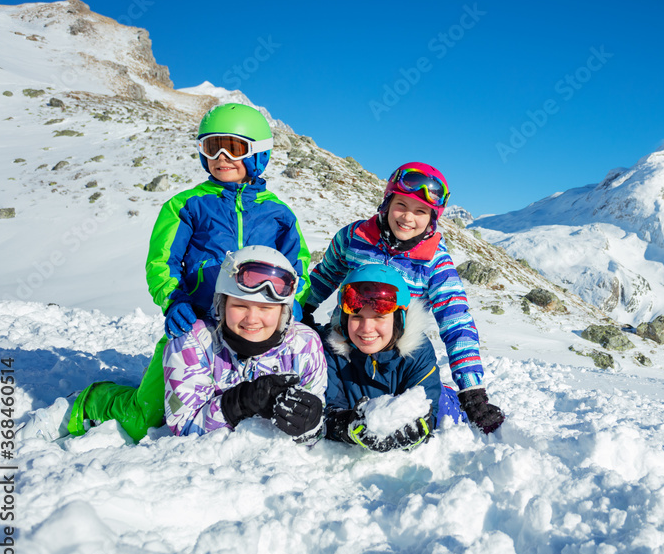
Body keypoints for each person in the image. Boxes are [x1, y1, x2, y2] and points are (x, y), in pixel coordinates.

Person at [67, 103, 312, 442]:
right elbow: (162, 261)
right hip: (195, 325)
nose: (222, 156)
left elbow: (296, 266)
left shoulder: (278, 214)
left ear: (258, 153)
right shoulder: (188, 204)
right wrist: (174, 300)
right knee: (149, 419)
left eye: (234, 147)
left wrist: (294, 300)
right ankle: (94, 400)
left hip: (253, 331)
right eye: (212, 147)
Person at [303, 162, 505, 435]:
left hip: (398, 357)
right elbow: (324, 277)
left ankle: (444, 401)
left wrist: (472, 390)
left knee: (420, 411)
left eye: (420, 211)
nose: (408, 218)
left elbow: (456, 322)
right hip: (349, 344)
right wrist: (301, 309)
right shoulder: (354, 238)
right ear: (387, 203)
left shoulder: (434, 261)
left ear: (432, 218)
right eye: (402, 205)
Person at [165, 246, 326, 439]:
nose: (252, 319)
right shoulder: (194, 342)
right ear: (221, 305)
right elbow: (184, 425)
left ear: (283, 312)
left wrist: (311, 421)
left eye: (266, 308)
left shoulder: (305, 345)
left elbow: (315, 431)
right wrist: (240, 402)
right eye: (240, 305)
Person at [321, 264, 464, 451]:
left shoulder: (417, 351)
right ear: (344, 319)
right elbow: (328, 410)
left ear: (398, 319)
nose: (366, 328)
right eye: (357, 317)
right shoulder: (331, 350)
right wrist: (349, 426)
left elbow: (428, 410)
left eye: (379, 316)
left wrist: (416, 427)